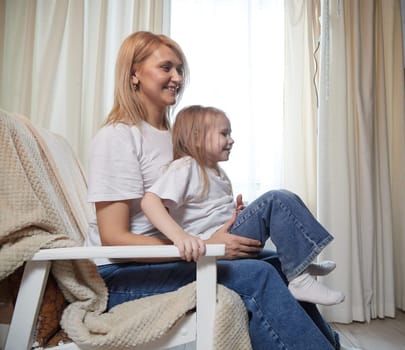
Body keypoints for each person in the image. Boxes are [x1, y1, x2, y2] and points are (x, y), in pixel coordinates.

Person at [87, 31, 344, 349]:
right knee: (258, 276)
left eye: (180, 69)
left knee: (276, 263)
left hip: (172, 259)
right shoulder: (118, 138)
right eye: (166, 67)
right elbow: (114, 240)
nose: (177, 77)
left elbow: (189, 208)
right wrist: (206, 245)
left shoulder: (176, 138)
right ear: (134, 74)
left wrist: (223, 222)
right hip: (123, 276)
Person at [141, 105, 345, 306]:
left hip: (227, 240)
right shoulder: (186, 166)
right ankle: (300, 279)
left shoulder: (218, 174)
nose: (231, 140)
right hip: (213, 249)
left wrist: (237, 213)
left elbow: (209, 213)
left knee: (277, 247)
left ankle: (302, 265)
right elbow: (150, 201)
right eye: (224, 134)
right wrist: (181, 237)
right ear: (197, 138)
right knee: (277, 200)